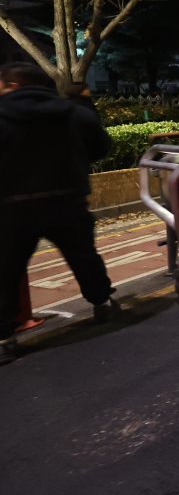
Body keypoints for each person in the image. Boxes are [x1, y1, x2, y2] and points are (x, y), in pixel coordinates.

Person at [1, 63, 116, 366]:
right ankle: (101, 302)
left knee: (6, 271)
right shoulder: (76, 114)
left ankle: (4, 337)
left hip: (12, 207)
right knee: (84, 257)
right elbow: (102, 148)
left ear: (11, 85)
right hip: (67, 200)